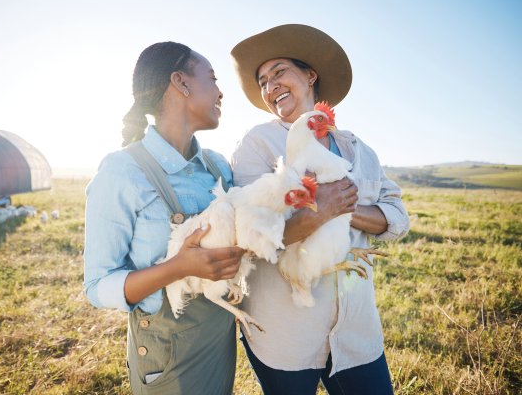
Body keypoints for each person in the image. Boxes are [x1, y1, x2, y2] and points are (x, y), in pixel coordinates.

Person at [230, 24, 410, 395]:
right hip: (285, 332)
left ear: (310, 76)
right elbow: (252, 235)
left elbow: (396, 217)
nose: (270, 86)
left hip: (356, 331)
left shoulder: (359, 150)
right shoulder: (258, 144)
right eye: (263, 81)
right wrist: (318, 211)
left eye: (279, 72)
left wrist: (343, 208)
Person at [84, 41, 245, 395]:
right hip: (168, 357)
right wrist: (179, 267)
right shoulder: (121, 172)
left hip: (219, 341)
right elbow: (97, 286)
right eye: (213, 79)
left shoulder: (219, 168)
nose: (221, 92)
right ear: (181, 83)